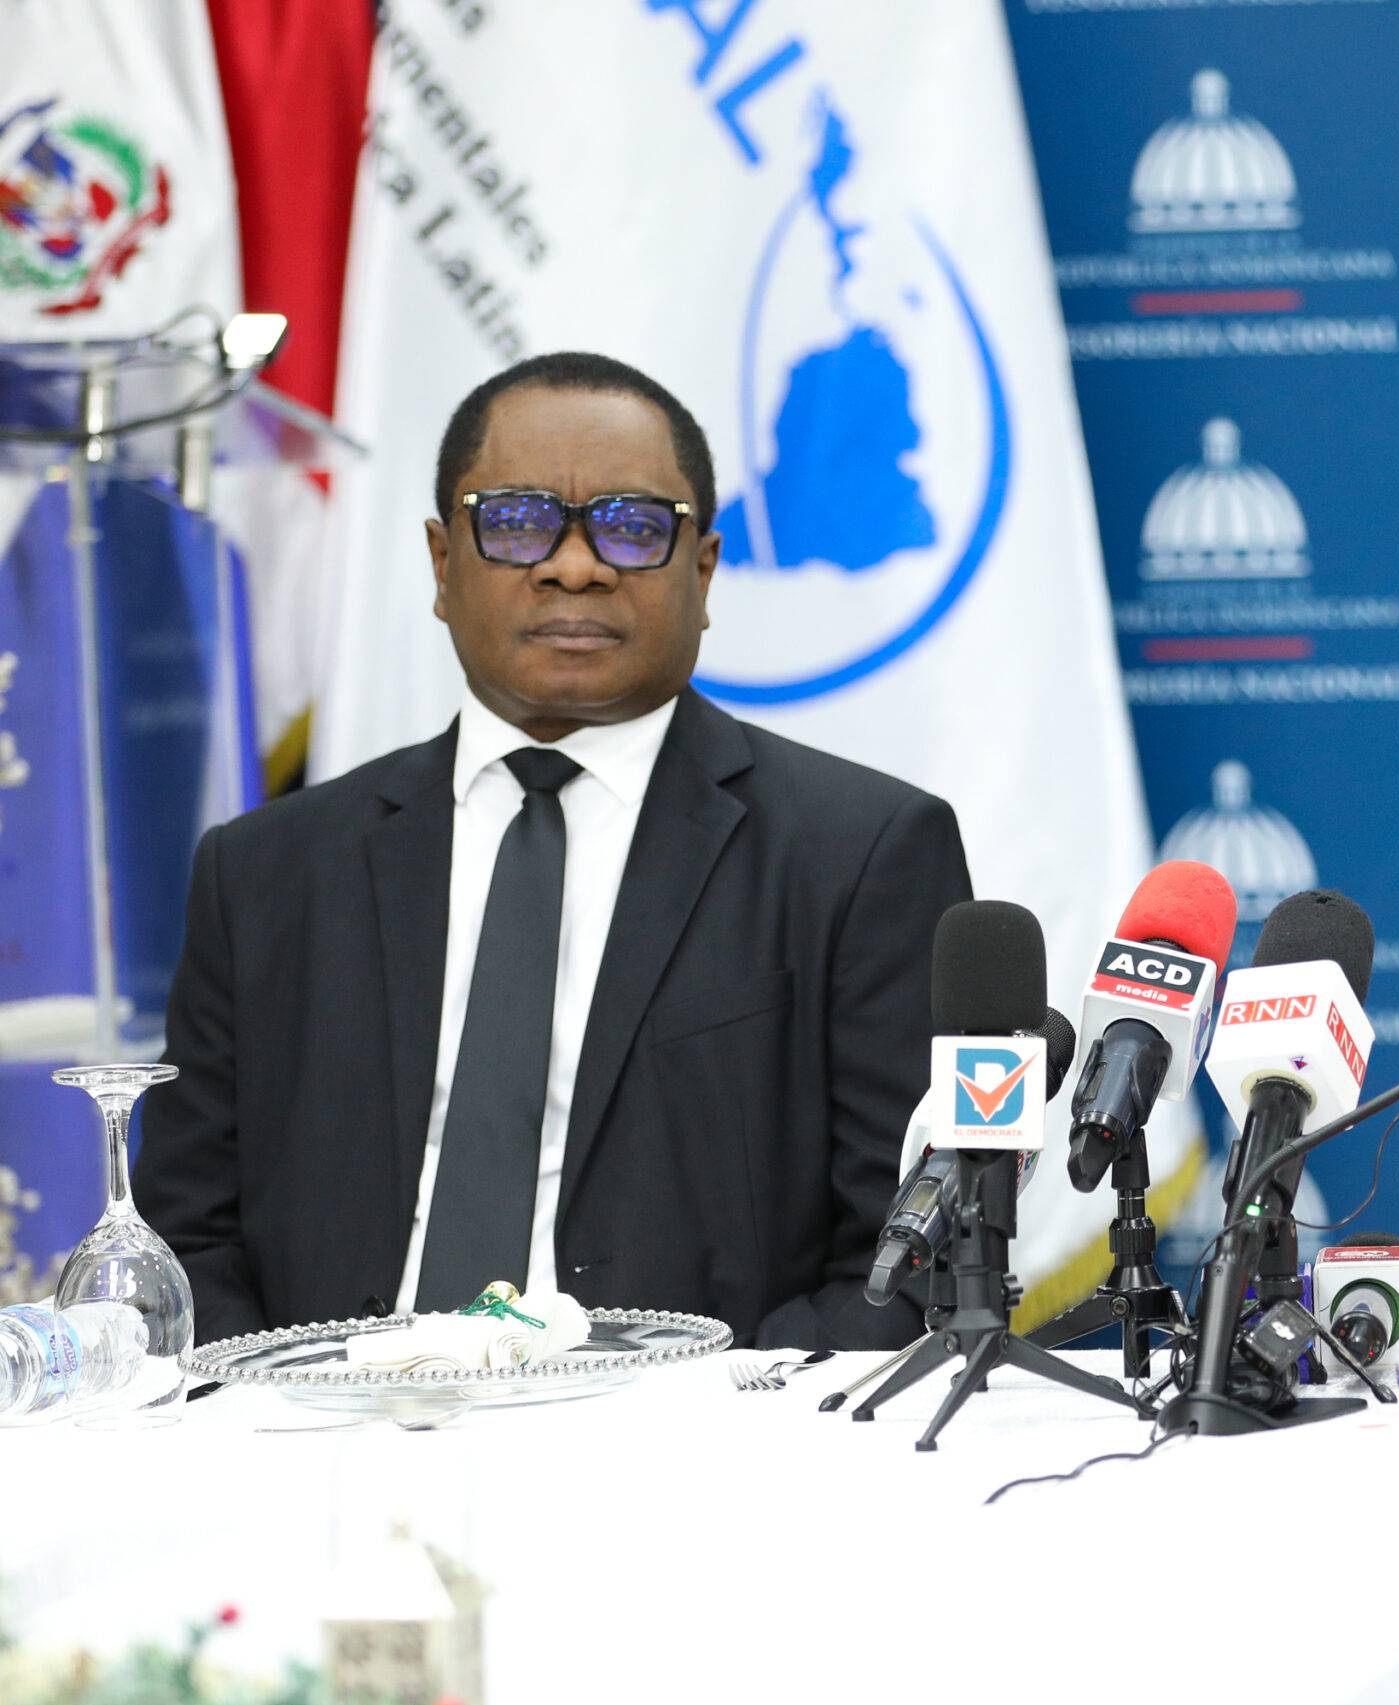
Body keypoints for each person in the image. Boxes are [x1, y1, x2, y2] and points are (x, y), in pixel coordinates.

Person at [136, 351, 970, 1350]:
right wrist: (283, 1403)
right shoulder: (264, 872)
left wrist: (702, 1412)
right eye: (518, 521)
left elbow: (912, 1260)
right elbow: (185, 1242)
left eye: (633, 528)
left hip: (698, 1426)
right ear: (442, 564)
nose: (574, 565)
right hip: (328, 1417)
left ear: (703, 571)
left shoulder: (864, 853)